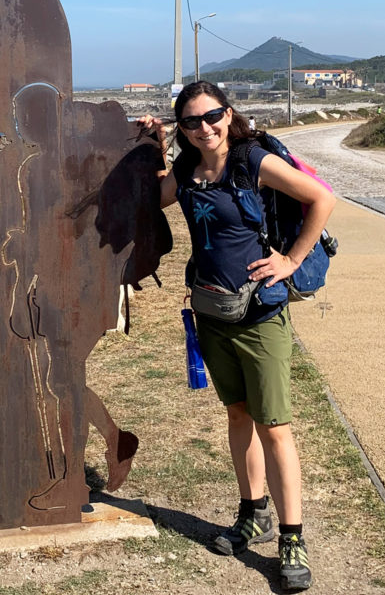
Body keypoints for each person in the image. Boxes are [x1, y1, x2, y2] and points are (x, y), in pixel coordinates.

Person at [138, 80, 335, 591]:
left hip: (259, 315)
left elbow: (321, 198)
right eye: (191, 121)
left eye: (213, 116)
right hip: (212, 311)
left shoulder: (252, 161)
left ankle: (291, 537)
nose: (205, 127)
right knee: (237, 413)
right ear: (181, 127)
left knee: (274, 426)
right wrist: (157, 145)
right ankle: (254, 513)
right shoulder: (185, 169)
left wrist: (290, 260)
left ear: (230, 113)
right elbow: (158, 198)